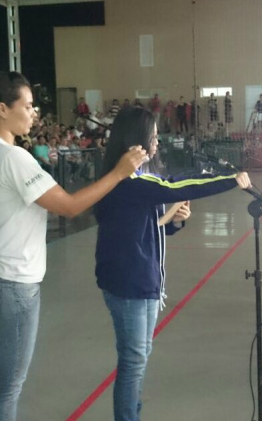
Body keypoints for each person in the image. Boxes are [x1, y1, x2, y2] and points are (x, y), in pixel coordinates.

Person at [0, 71, 147, 421]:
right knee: (6, 388)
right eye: (28, 106)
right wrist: (119, 173)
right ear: (3, 109)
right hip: (11, 283)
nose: (34, 113)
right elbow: (70, 206)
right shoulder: (13, 158)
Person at [94, 106, 251, 421]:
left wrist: (173, 222)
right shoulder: (127, 183)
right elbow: (178, 185)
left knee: (139, 357)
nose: (156, 145)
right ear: (136, 142)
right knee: (134, 360)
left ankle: (131, 412)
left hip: (145, 279)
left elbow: (144, 230)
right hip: (129, 283)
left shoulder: (138, 179)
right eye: (152, 138)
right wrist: (228, 179)